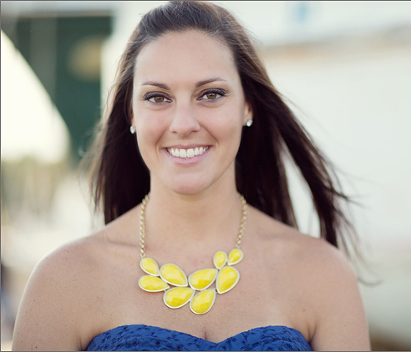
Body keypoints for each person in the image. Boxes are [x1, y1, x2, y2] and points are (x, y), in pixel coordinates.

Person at [12, 2, 369, 350]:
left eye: (211, 94)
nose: (183, 124)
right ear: (131, 113)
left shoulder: (322, 274)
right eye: (157, 97)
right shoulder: (62, 281)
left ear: (248, 105)